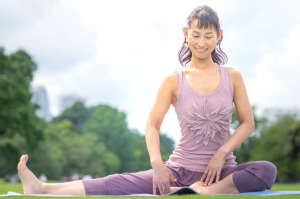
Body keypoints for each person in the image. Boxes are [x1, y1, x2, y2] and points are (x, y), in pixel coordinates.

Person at [17, 5, 277, 195]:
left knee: (266, 170)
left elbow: (247, 123)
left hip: (222, 173)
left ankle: (209, 191)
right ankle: (41, 188)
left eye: (209, 36)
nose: (201, 42)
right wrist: (158, 165)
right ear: (186, 33)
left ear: (219, 36)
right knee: (116, 183)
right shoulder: (173, 80)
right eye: (196, 35)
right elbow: (152, 125)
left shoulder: (232, 77)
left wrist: (222, 153)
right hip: (178, 172)